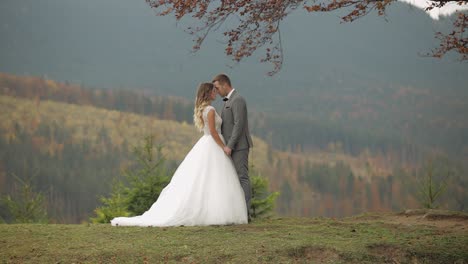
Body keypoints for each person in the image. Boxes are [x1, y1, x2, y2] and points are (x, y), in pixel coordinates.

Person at [111, 83, 247, 227]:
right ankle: (217, 213)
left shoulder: (203, 109)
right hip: (214, 144)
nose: (216, 93)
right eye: (214, 91)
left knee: (209, 178)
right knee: (216, 178)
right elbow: (213, 132)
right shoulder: (211, 110)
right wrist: (224, 147)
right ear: (208, 93)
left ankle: (212, 211)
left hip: (206, 143)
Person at [212, 74, 253, 221]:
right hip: (232, 147)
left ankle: (246, 213)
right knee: (234, 178)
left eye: (217, 88)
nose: (216, 91)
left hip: (239, 146)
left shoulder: (238, 100)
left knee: (242, 178)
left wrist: (229, 145)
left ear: (225, 84)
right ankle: (237, 212)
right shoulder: (228, 101)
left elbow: (239, 125)